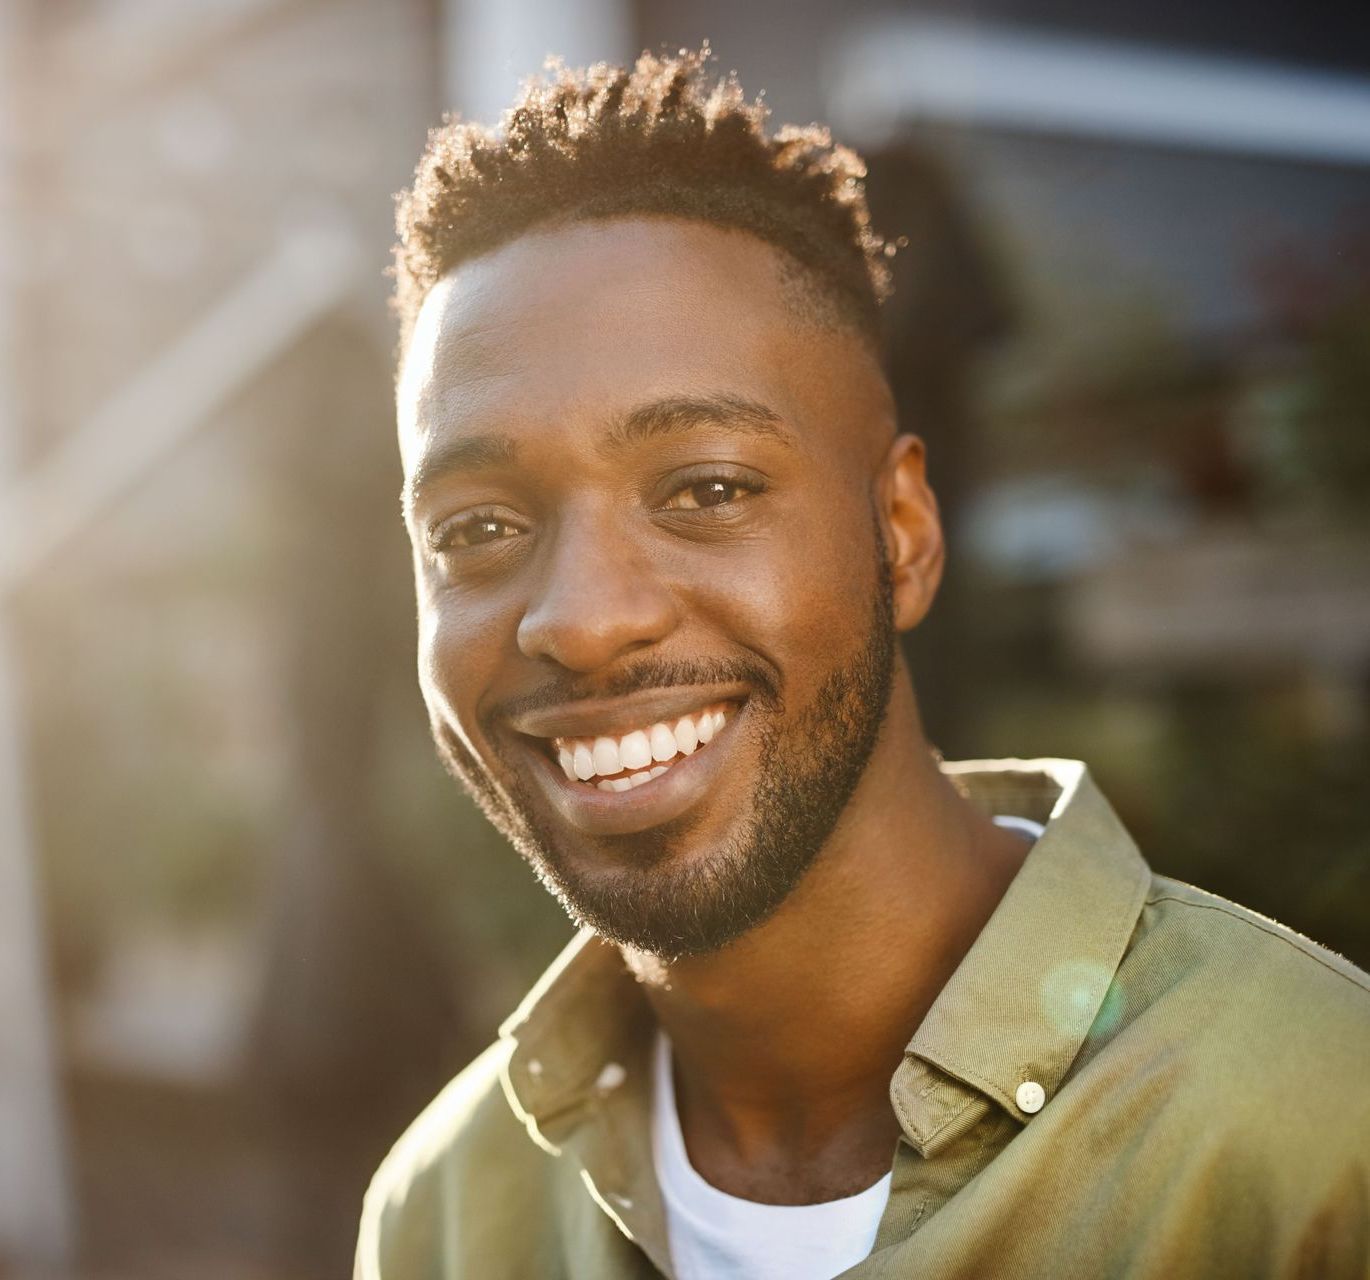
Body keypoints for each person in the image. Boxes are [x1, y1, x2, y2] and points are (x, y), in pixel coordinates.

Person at [354, 47, 1370, 1280]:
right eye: (475, 530)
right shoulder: (446, 1212)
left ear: (901, 534)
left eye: (706, 487)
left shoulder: (1315, 1136)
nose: (580, 618)